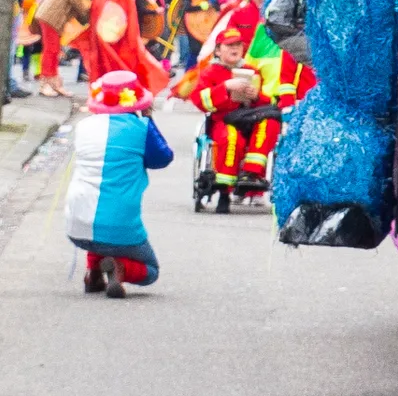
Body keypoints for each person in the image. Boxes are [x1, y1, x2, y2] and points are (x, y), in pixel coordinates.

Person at [68, 65, 173, 297]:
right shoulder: (141, 128)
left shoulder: (83, 126)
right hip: (120, 228)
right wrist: (148, 118)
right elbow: (162, 158)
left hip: (76, 226)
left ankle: (94, 270)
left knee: (98, 234)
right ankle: (122, 269)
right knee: (151, 270)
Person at [178, 24, 279, 198]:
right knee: (231, 138)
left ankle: (252, 173)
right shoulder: (209, 72)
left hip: (250, 119)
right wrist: (225, 88)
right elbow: (201, 102)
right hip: (223, 120)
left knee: (270, 123)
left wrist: (256, 96)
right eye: (230, 45)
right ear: (218, 51)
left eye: (238, 45)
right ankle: (225, 187)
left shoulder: (251, 71)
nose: (235, 48)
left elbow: (266, 103)